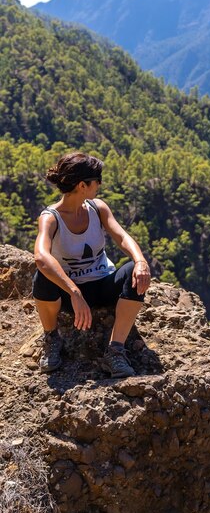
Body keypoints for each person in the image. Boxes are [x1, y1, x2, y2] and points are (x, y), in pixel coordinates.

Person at [32, 152, 151, 378]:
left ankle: (115, 350)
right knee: (42, 276)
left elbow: (122, 237)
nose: (100, 185)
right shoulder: (51, 217)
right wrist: (74, 292)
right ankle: (51, 337)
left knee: (132, 273)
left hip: (102, 284)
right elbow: (41, 256)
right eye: (97, 180)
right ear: (83, 185)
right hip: (69, 293)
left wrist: (140, 261)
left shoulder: (97, 208)